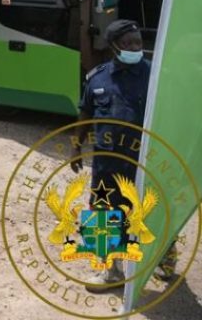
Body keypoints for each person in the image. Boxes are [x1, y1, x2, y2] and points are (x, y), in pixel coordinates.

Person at [71, 19, 177, 291]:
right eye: (128, 43)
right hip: (106, 163)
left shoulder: (154, 76)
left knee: (152, 211)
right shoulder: (98, 78)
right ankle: (110, 273)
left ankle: (163, 263)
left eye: (138, 42)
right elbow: (85, 113)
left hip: (145, 162)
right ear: (113, 46)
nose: (135, 47)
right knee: (103, 214)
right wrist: (75, 146)